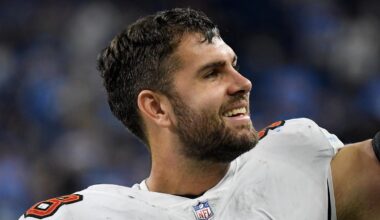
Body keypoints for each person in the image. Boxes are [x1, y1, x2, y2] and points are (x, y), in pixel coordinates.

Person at [20, 8, 380, 220]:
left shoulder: (294, 153)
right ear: (157, 108)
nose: (243, 83)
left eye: (233, 65)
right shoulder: (89, 215)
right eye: (212, 73)